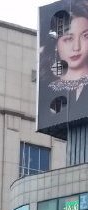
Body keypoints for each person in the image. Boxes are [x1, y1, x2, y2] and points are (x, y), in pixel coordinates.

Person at [38, 0, 88, 131]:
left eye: (85, 36)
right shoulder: (46, 92)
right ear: (55, 44)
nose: (77, 47)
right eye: (68, 39)